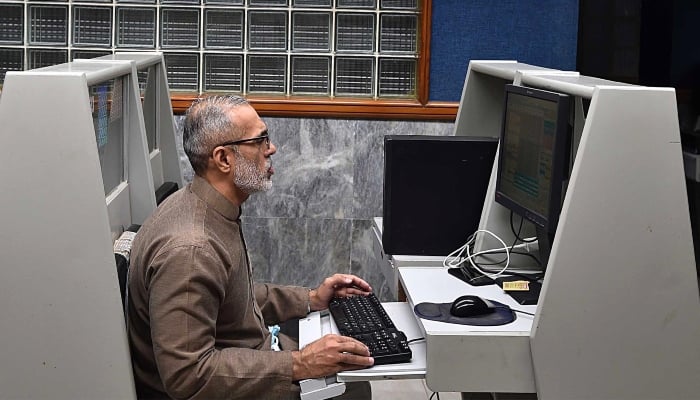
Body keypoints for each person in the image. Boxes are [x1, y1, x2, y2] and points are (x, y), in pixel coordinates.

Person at [127, 95, 374, 399]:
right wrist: (300, 363)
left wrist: (310, 299)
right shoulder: (192, 250)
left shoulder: (208, 208)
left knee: (348, 372)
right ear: (224, 159)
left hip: (245, 357)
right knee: (353, 390)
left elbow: (231, 296)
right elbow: (188, 376)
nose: (271, 149)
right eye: (260, 140)